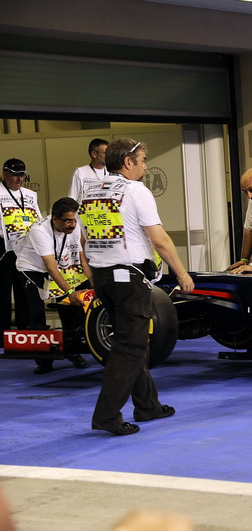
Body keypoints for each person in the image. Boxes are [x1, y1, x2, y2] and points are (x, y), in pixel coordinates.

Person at [79, 138, 194, 436]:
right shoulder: (136, 191)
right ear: (127, 163)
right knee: (129, 348)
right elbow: (159, 239)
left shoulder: (92, 191)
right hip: (128, 279)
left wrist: (94, 275)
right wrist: (181, 273)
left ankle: (147, 405)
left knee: (135, 344)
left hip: (104, 278)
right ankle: (107, 415)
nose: (145, 166)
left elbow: (83, 240)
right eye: (142, 160)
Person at [14, 197, 91, 373]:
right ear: (55, 219)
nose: (72, 225)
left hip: (58, 264)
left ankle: (72, 351)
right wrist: (70, 291)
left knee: (71, 307)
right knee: (37, 311)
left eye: (74, 220)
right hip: (31, 268)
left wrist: (94, 284)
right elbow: (50, 267)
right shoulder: (39, 231)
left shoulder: (74, 225)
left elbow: (82, 260)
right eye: (67, 221)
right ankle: (44, 360)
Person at [1, 158, 42, 334]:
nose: (19, 180)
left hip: (26, 249)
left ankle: (25, 330)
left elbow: (39, 220)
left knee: (24, 291)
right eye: (14, 175)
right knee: (2, 293)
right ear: (4, 174)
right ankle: (2, 332)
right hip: (4, 249)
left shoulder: (30, 195)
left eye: (22, 176)